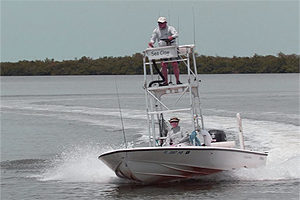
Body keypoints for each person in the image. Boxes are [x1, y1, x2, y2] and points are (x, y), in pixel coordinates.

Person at [148, 17, 182, 86]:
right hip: (163, 50)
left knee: (174, 63)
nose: (160, 24)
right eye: (159, 23)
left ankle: (178, 80)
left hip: (172, 48)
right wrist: (151, 43)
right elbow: (152, 39)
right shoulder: (156, 30)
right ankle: (165, 81)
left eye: (162, 23)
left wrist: (171, 37)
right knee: (163, 65)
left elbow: (176, 34)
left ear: (165, 23)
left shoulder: (170, 28)